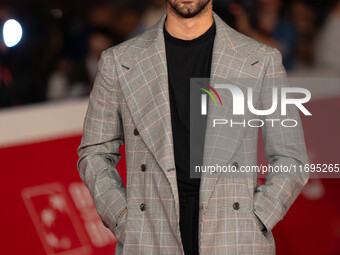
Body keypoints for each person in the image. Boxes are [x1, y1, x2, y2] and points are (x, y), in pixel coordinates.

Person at [77, 1, 309, 254]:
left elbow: (291, 157)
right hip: (151, 234)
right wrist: (124, 217)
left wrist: (257, 218)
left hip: (232, 233)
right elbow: (95, 152)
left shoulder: (261, 60)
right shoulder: (119, 61)